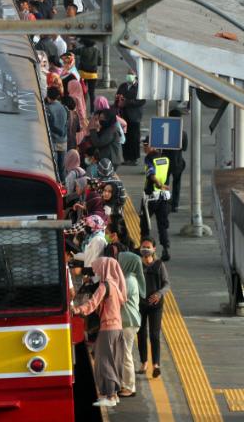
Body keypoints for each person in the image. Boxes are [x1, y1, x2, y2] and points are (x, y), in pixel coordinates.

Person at [72, 257, 127, 407]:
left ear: (104, 268)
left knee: (103, 361)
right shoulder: (115, 285)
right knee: (114, 361)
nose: (96, 272)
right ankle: (113, 394)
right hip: (117, 328)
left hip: (108, 328)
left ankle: (109, 396)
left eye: (98, 268)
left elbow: (92, 303)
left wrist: (78, 309)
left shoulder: (104, 286)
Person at [137, 237, 171, 378]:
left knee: (154, 334)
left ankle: (156, 365)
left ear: (154, 249)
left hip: (156, 305)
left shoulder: (159, 265)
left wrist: (159, 294)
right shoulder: (137, 264)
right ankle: (144, 362)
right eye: (143, 247)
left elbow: (167, 284)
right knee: (141, 333)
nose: (145, 249)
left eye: (148, 247)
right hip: (140, 304)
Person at [118, 251, 144, 398]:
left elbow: (119, 298)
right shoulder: (130, 278)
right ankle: (126, 384)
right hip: (129, 320)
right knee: (125, 353)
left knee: (126, 354)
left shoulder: (128, 280)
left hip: (128, 321)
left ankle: (129, 387)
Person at [140, 137, 172, 261]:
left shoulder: (149, 158)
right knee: (162, 224)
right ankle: (166, 249)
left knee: (145, 224)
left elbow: (151, 174)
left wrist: (158, 184)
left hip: (151, 197)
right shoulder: (165, 158)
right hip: (163, 197)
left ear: (153, 145)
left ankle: (145, 248)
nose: (144, 148)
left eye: (146, 145)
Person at [116, 73, 147, 165]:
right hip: (123, 116)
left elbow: (141, 101)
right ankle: (126, 158)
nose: (129, 76)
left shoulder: (139, 88)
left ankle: (134, 158)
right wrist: (119, 99)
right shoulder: (123, 86)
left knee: (134, 138)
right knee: (124, 137)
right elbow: (118, 96)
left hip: (134, 117)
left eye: (131, 74)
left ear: (135, 76)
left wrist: (126, 102)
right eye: (128, 73)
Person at [162, 109, 188, 212]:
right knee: (177, 183)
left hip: (165, 162)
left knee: (164, 182)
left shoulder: (163, 130)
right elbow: (185, 148)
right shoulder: (183, 133)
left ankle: (164, 202)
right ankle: (175, 205)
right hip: (178, 162)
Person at [46, 87, 68, 180]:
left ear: (48, 96)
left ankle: (56, 183)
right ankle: (64, 184)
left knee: (55, 168)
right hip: (63, 141)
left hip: (53, 141)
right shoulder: (64, 108)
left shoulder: (48, 109)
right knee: (62, 167)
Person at [75, 39, 101, 109]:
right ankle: (92, 110)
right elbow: (99, 63)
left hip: (83, 74)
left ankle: (83, 108)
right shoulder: (97, 51)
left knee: (83, 92)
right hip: (93, 75)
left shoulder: (82, 49)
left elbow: (74, 51)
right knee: (92, 93)